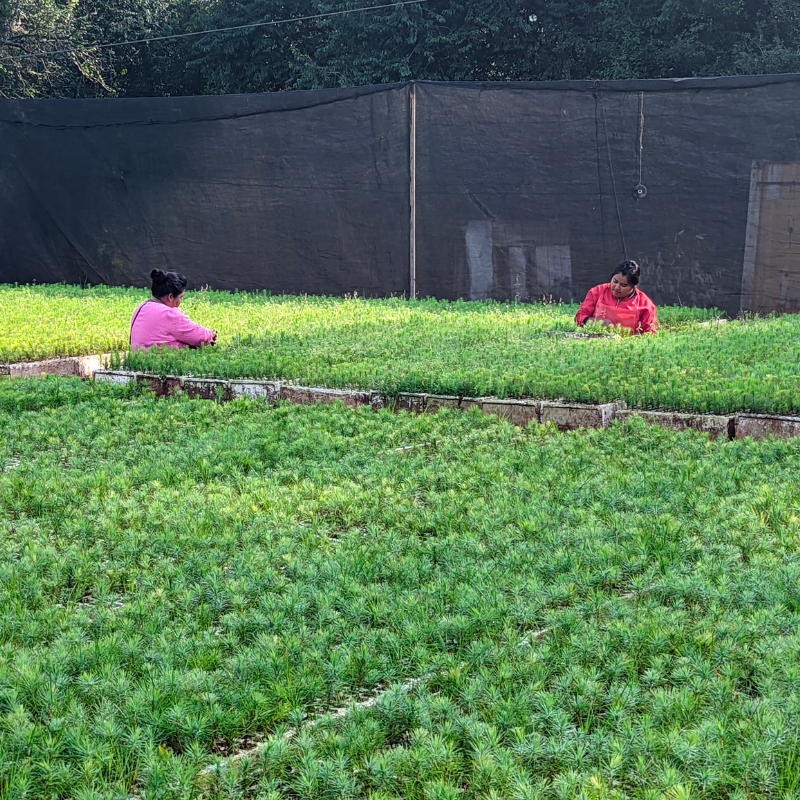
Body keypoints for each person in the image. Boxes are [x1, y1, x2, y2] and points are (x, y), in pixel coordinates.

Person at [130, 269, 218, 350]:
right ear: (170, 297)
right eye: (180, 297)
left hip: (139, 359)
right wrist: (211, 334)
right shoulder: (169, 314)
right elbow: (199, 336)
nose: (180, 302)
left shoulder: (141, 308)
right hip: (160, 361)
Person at [575, 260, 658, 334]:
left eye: (623, 285)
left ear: (633, 286)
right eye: (615, 281)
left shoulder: (646, 305)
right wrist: (594, 322)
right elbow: (579, 317)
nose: (617, 287)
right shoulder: (597, 292)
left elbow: (649, 334)